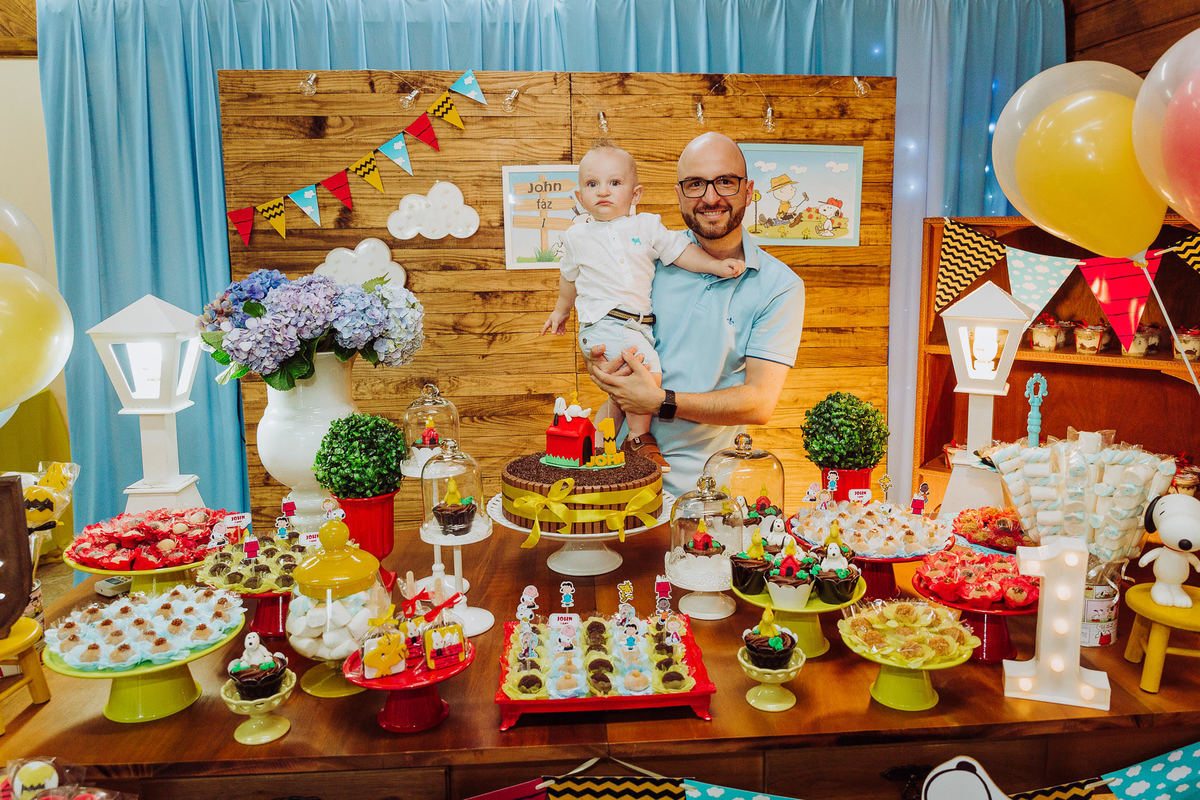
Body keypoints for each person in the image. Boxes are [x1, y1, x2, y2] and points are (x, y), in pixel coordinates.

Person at [586, 132, 806, 498]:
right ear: (679, 194)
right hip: (610, 466)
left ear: (748, 191)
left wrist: (660, 401)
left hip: (700, 490)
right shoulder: (645, 256)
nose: (710, 197)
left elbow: (759, 401)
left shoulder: (779, 286)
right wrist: (600, 364)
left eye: (725, 181)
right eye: (695, 184)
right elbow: (603, 324)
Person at [541, 141, 745, 472]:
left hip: (637, 326)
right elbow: (569, 278)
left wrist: (716, 267)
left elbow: (681, 252)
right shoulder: (577, 237)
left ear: (635, 195)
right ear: (579, 198)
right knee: (647, 376)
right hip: (604, 323)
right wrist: (561, 311)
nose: (603, 191)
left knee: (624, 391)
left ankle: (590, 441)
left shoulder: (646, 227)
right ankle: (638, 439)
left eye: (615, 183)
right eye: (592, 185)